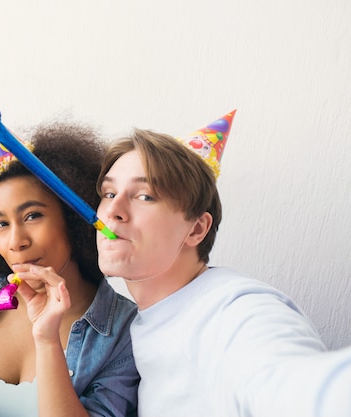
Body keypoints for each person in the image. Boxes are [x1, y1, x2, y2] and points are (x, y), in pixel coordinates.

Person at [95, 115, 351, 417]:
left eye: (145, 196)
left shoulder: (236, 311)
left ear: (196, 229)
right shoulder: (137, 323)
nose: (113, 210)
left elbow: (296, 386)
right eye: (109, 194)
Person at [0, 99, 139, 417]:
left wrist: (46, 339)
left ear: (72, 218)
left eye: (32, 216)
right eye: (1, 224)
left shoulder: (121, 334)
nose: (16, 242)